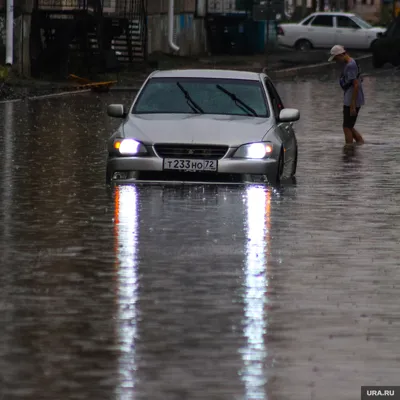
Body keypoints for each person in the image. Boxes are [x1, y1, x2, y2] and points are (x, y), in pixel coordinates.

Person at [328, 45, 365, 147]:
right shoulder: (352, 62)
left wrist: (352, 104)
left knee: (346, 127)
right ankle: (360, 144)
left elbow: (356, 84)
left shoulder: (350, 66)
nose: (336, 61)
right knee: (349, 126)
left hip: (352, 100)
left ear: (340, 55)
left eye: (336, 58)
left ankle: (348, 150)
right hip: (351, 98)